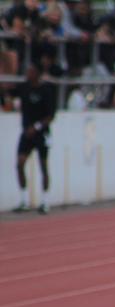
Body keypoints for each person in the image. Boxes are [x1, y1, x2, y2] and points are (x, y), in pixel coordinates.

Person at [11, 64, 57, 214]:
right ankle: (24, 200)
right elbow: (10, 94)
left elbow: (51, 115)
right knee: (20, 164)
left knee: (43, 166)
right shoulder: (24, 88)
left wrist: (36, 127)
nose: (28, 74)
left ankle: (45, 201)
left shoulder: (46, 90)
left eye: (31, 71)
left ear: (37, 73)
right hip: (26, 133)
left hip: (41, 134)